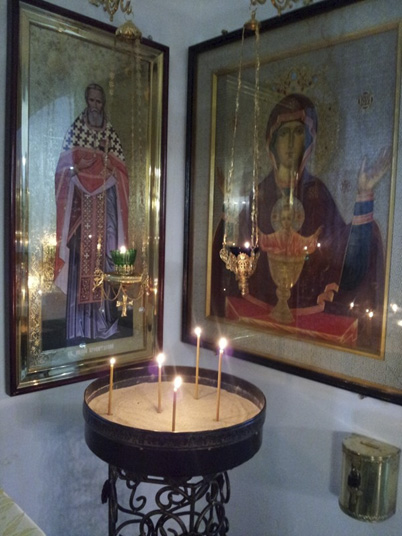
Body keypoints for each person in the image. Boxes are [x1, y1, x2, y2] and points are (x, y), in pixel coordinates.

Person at [212, 93, 390, 351]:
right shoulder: (259, 194)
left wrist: (364, 195)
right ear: (271, 140)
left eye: (298, 132)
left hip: (309, 316)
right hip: (255, 312)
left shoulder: (318, 193)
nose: (290, 141)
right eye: (284, 133)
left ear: (309, 140)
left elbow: (344, 256)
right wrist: (230, 203)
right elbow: (231, 252)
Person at [54, 83, 130, 343]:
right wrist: (77, 167)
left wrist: (110, 170)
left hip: (104, 214)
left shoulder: (110, 135)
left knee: (104, 262)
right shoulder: (75, 131)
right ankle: (78, 328)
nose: (95, 106)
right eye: (92, 101)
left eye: (99, 102)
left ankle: (103, 324)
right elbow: (63, 171)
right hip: (81, 217)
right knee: (80, 266)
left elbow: (122, 174)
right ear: (86, 102)